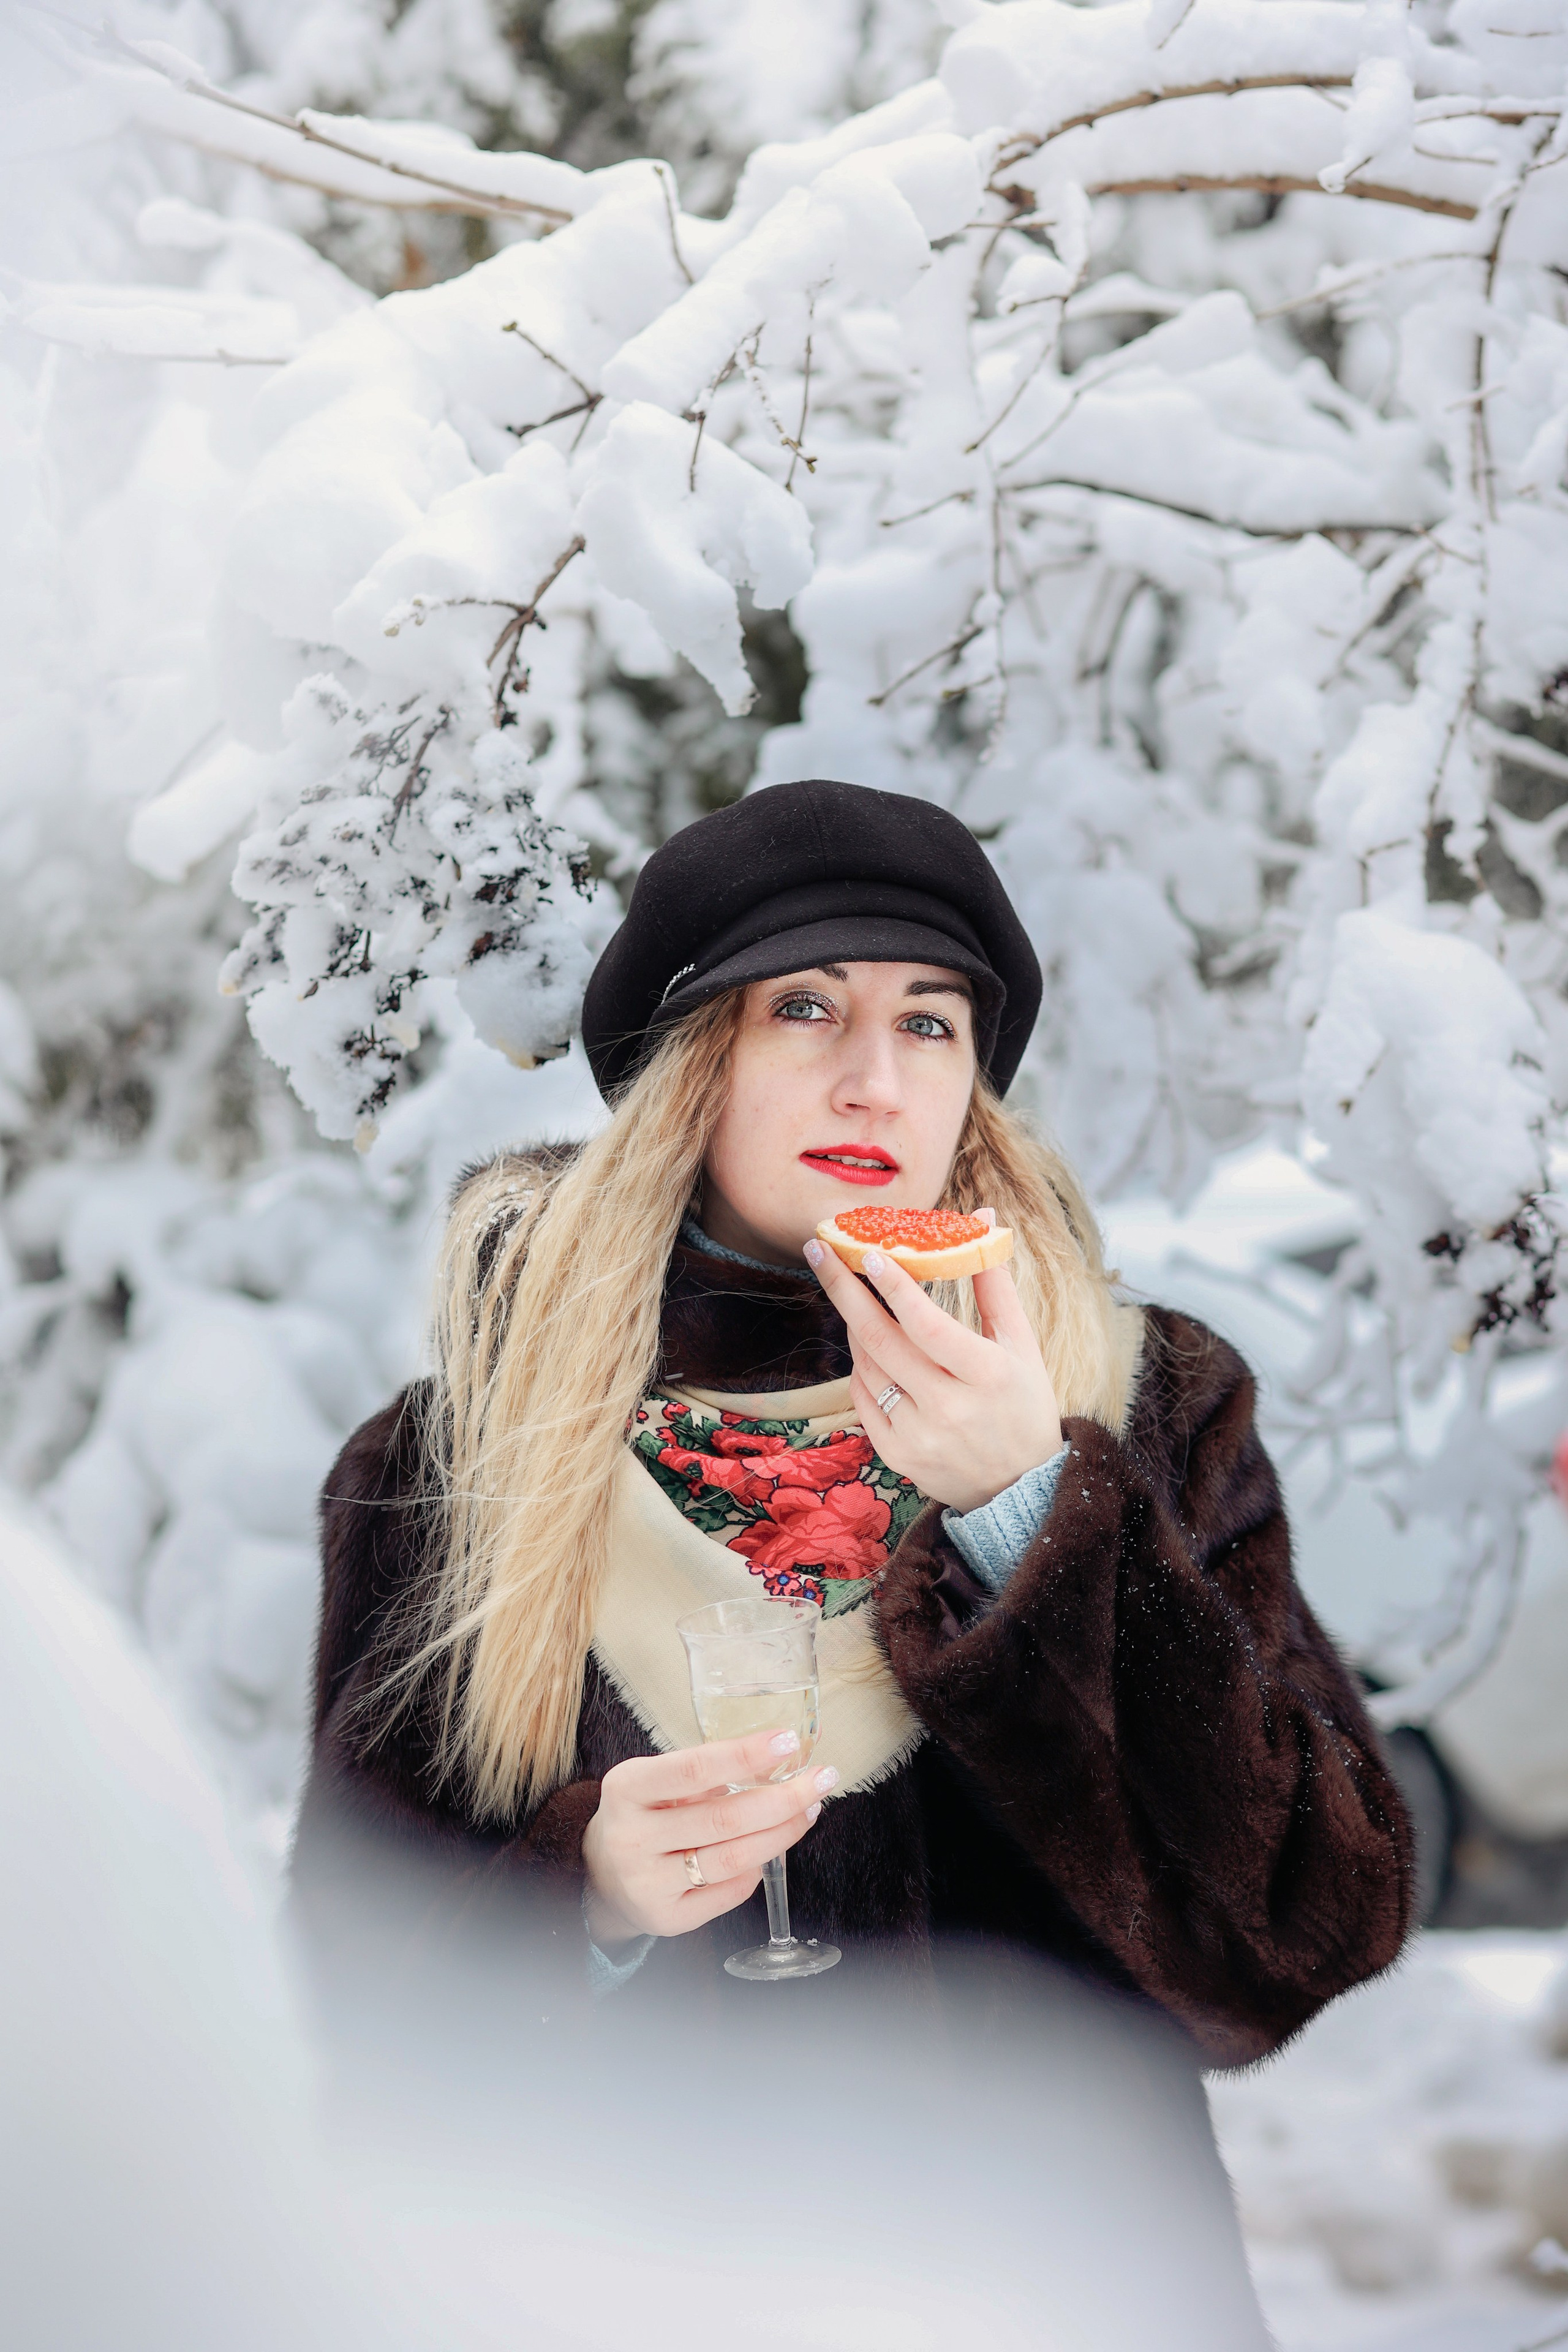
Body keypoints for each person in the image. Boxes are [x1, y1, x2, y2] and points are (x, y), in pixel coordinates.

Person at [292, 776, 1411, 2065]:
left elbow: (1306, 1935)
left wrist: (1033, 1515)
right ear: (689, 1070)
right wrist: (580, 1900)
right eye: (805, 1008)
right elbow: (353, 2011)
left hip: (1057, 2260)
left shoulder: (1144, 1398)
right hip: (636, 2262)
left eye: (928, 1024)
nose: (875, 1081)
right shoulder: (457, 1464)